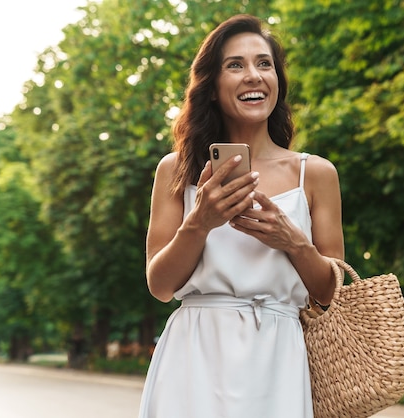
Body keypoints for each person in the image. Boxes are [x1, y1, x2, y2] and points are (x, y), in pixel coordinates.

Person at [138, 14, 344, 418]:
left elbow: (332, 295)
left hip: (279, 358)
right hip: (194, 355)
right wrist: (200, 221)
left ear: (277, 81)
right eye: (236, 65)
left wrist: (294, 242)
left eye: (264, 64)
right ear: (212, 87)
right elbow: (160, 285)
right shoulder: (176, 170)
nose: (253, 75)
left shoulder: (315, 174)